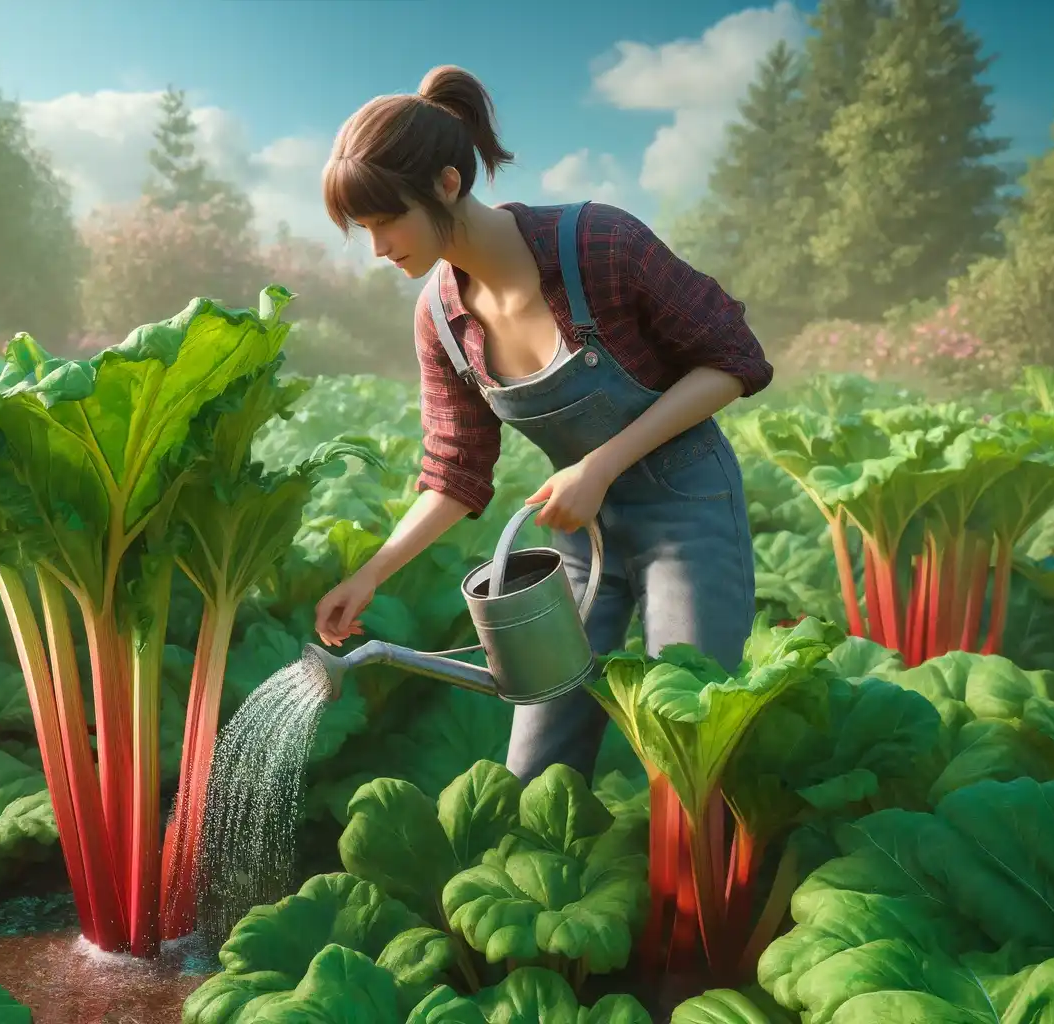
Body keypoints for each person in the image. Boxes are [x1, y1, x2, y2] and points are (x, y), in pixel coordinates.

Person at [311, 64, 770, 784]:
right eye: (362, 230)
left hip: (688, 516)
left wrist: (601, 465)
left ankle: (693, 893)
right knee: (536, 762)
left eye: (386, 220)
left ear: (447, 184)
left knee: (691, 740)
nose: (377, 248)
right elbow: (456, 472)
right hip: (580, 539)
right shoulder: (439, 319)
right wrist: (370, 575)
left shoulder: (600, 246)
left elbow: (734, 359)